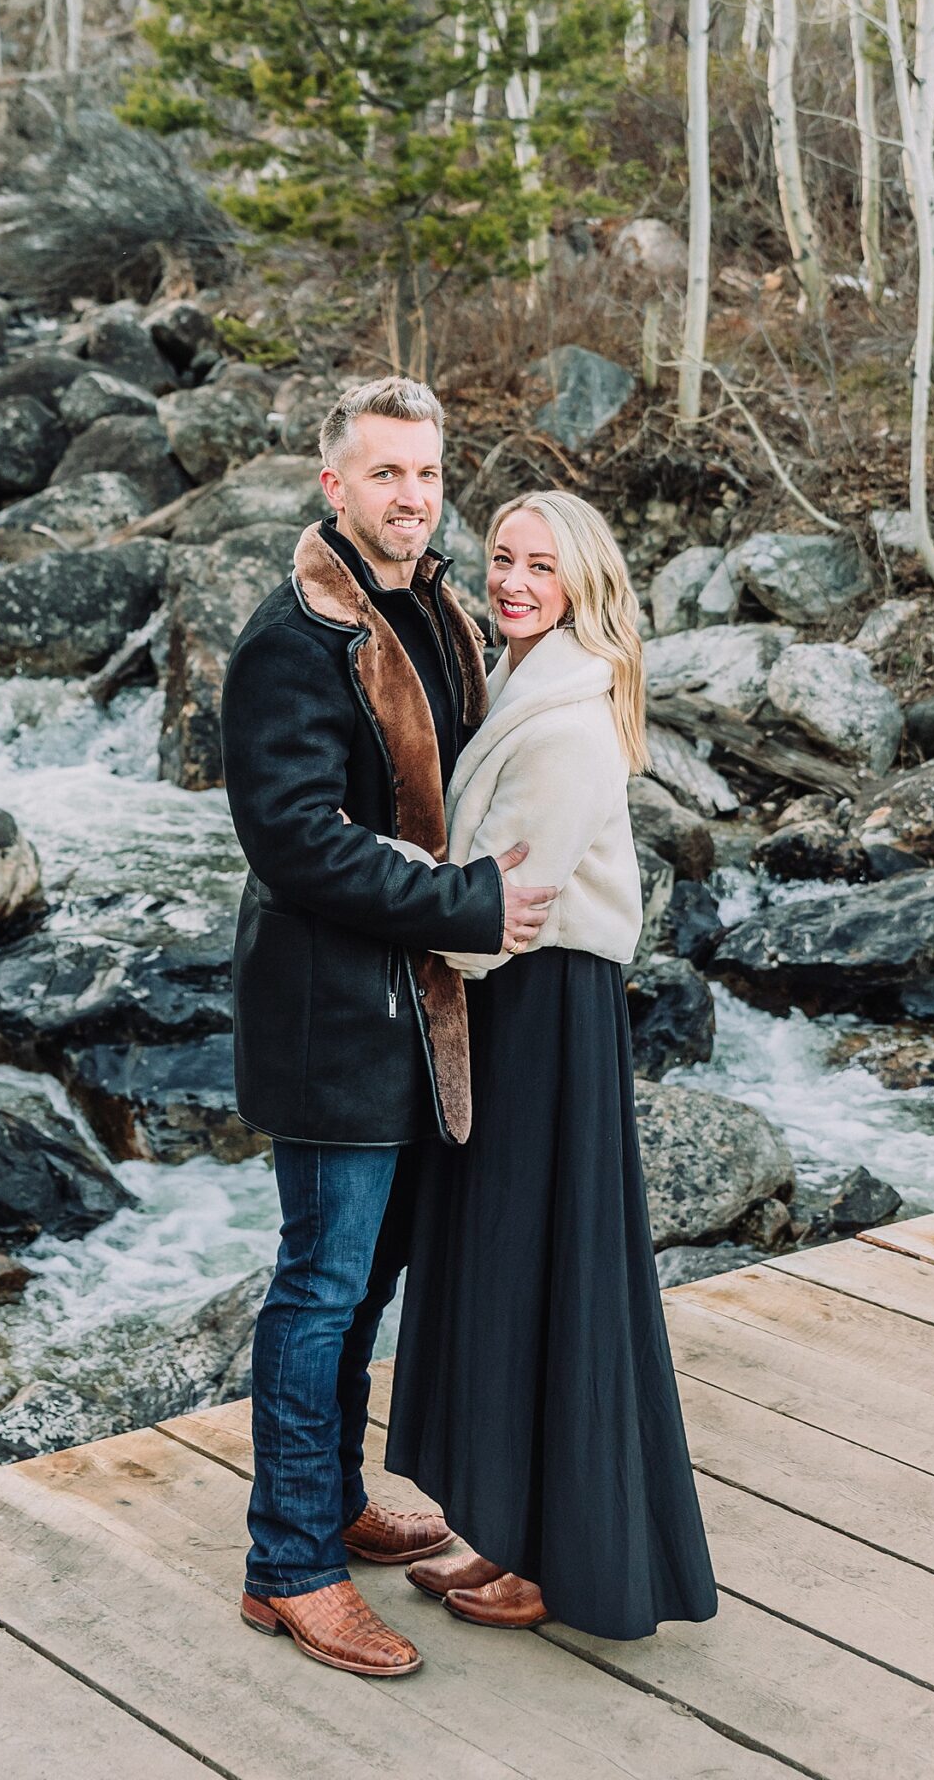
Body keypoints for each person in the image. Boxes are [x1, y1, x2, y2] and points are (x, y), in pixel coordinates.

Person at [219, 377, 556, 1681]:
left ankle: (334, 1501)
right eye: (384, 474)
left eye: (426, 473)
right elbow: (297, 842)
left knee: (365, 1286)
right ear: (334, 486)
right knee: (318, 1287)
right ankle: (289, 1565)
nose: (411, 496)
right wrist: (470, 903)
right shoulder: (291, 638)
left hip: (419, 1014)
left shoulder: (433, 607)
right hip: (333, 1024)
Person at [385, 489, 718, 1639]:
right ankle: (507, 1530)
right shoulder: (524, 678)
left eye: (539, 565)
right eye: (501, 559)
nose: (513, 582)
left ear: (580, 580)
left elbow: (503, 900)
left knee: (544, 1273)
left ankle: (556, 1561)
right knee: (504, 1269)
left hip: (541, 1007)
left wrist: (377, 898)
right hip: (517, 1004)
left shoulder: (569, 717)